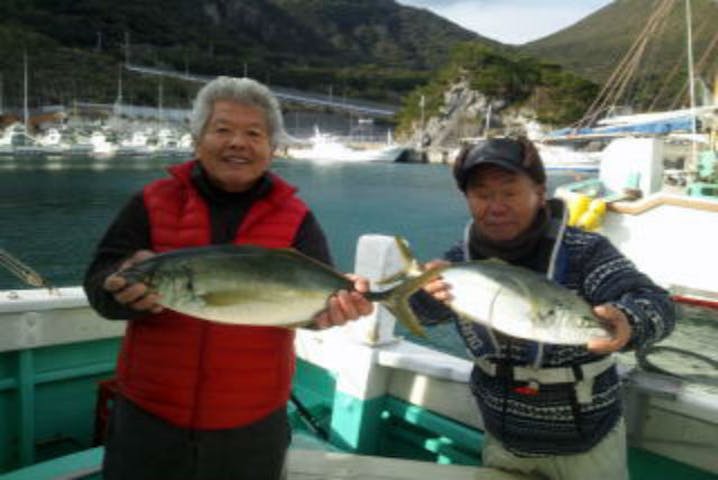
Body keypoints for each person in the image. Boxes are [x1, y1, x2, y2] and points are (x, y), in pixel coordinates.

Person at [83, 76, 373, 480]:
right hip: (149, 417)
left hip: (251, 425)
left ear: (272, 148)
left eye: (253, 133)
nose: (238, 142)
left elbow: (312, 312)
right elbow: (98, 288)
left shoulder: (298, 220)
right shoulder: (150, 202)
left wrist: (336, 310)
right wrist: (119, 287)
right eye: (223, 130)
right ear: (197, 139)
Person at [417, 136, 675, 480]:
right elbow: (423, 315)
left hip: (588, 447)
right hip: (502, 443)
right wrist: (420, 295)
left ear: (540, 193)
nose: (495, 206)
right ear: (468, 199)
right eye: (482, 194)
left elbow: (657, 303)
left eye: (509, 192)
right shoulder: (458, 263)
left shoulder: (585, 252)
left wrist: (628, 322)